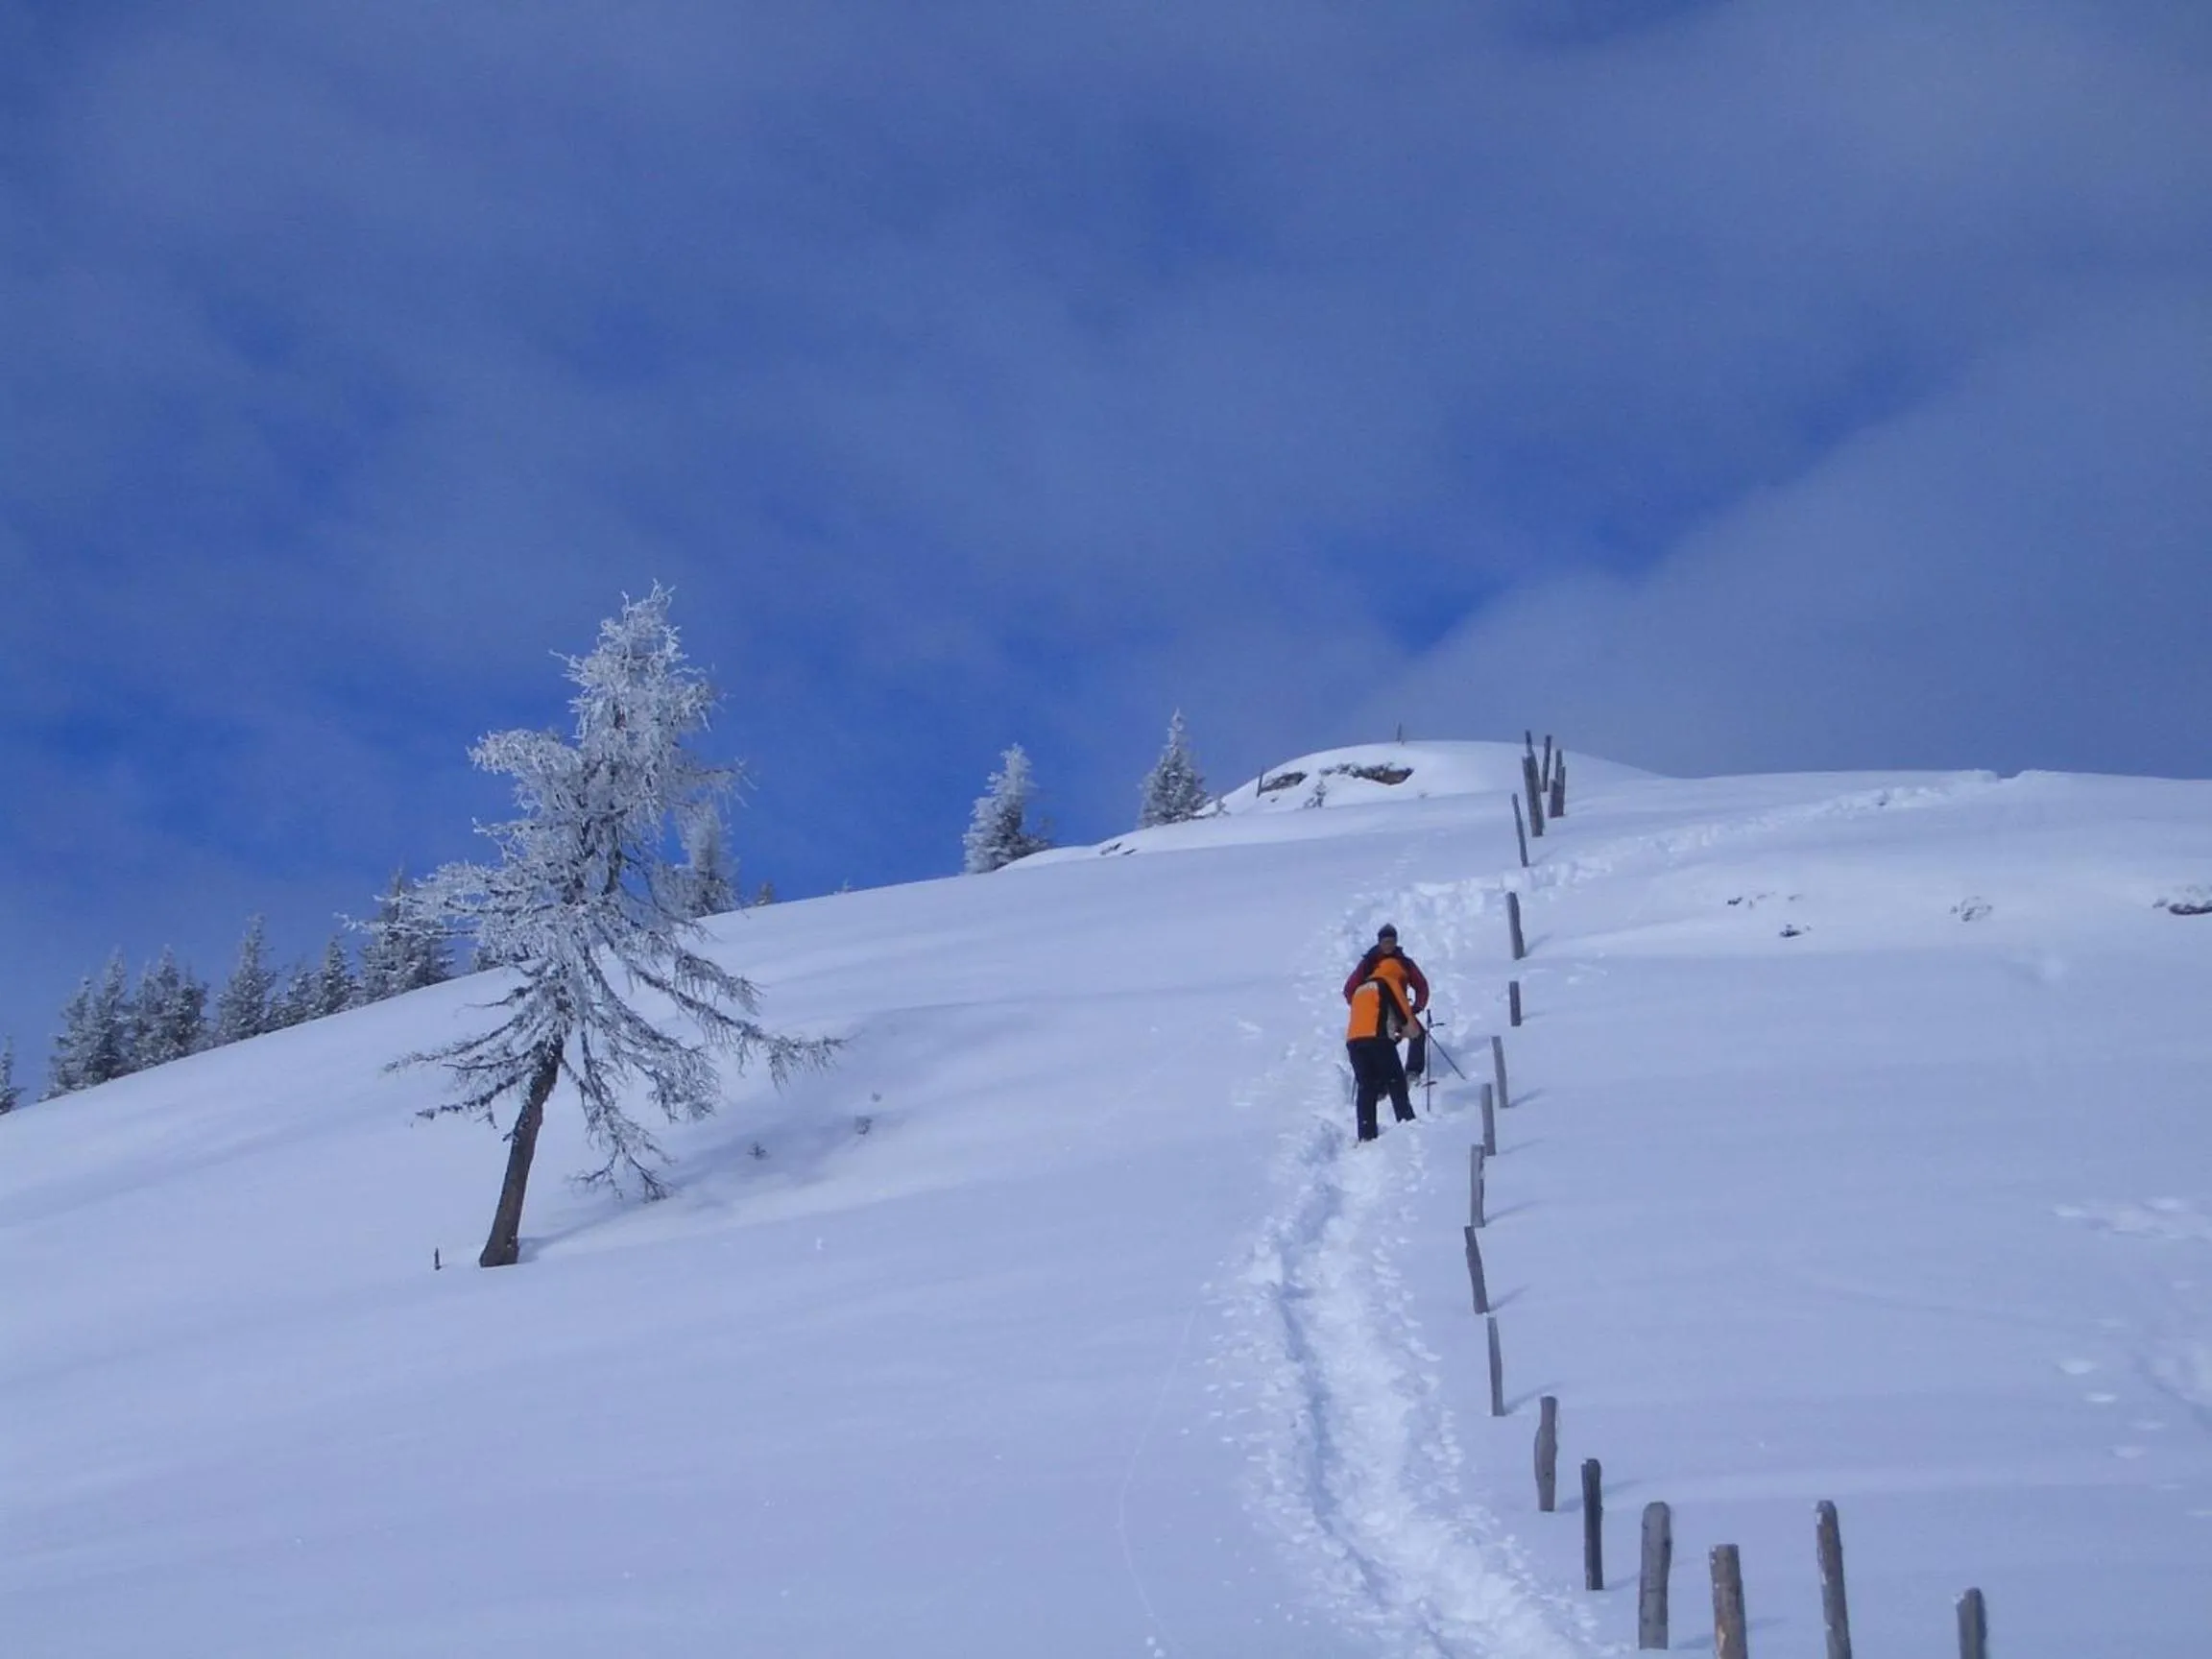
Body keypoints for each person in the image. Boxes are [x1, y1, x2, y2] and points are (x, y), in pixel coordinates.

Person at [1345, 959, 1422, 1142]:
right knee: (1395, 1080)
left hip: (1354, 1042)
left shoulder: (1361, 988)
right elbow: (1404, 1015)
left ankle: (1366, 1134)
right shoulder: (1389, 982)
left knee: (1366, 1086)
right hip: (1377, 1038)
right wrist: (1411, 1033)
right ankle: (1407, 1123)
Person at [1343, 924, 1431, 1079]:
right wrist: (1360, 1007)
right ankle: (1383, 1077)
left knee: (1417, 1034)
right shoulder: (1369, 963)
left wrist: (1418, 1006)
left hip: (1397, 1007)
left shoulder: (1404, 962)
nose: (1389, 945)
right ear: (1379, 942)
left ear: (1396, 941)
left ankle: (1412, 1072)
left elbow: (1421, 985)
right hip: (1375, 1009)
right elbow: (1350, 988)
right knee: (1381, 1041)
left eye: (1392, 941)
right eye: (1385, 942)